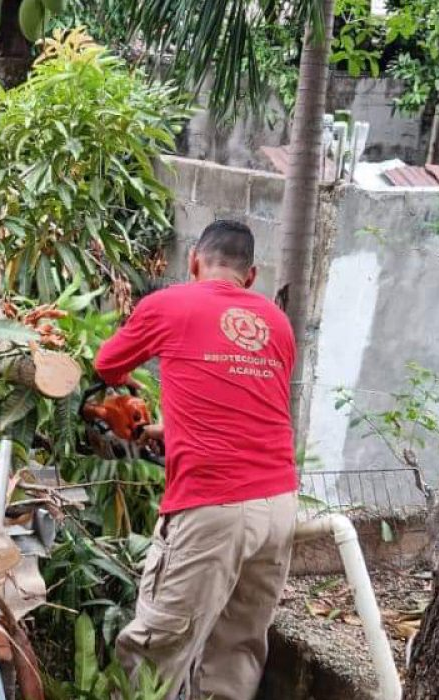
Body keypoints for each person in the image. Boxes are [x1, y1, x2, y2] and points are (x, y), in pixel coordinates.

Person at [94, 220, 298, 700]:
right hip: (280, 506)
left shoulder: (169, 304)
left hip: (214, 508)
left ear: (193, 262)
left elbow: (108, 366)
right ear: (251, 276)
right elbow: (244, 405)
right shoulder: (278, 324)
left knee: (156, 649)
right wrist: (170, 429)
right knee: (236, 653)